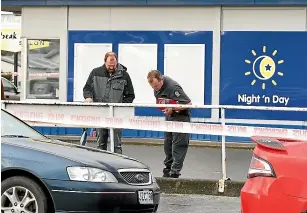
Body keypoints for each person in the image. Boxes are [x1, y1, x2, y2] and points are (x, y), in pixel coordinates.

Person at [83, 52, 135, 154]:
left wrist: (120, 106)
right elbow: (87, 88)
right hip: (100, 113)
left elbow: (130, 95)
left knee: (117, 145)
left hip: (116, 115)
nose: (112, 67)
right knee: (100, 144)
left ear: (117, 62)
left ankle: (118, 165)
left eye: (114, 65)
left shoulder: (124, 75)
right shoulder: (95, 73)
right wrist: (88, 97)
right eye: (109, 65)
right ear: (104, 62)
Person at [147, 70, 192, 178]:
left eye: (157, 86)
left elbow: (188, 103)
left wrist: (173, 109)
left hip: (181, 116)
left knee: (178, 145)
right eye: (153, 87)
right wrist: (166, 109)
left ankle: (175, 172)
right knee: (168, 143)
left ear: (161, 80)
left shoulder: (173, 87)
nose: (155, 89)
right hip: (169, 116)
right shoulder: (156, 87)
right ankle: (168, 169)